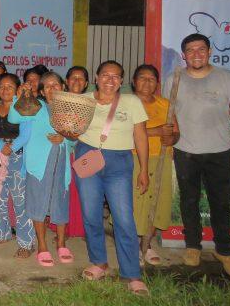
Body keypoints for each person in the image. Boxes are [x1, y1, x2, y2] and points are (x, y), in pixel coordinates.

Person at [165, 33, 230, 280]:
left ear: (209, 51)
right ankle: (193, 246)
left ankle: (225, 251)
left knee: (221, 203)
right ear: (184, 55)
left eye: (200, 49)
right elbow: (168, 116)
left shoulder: (225, 78)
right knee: (189, 201)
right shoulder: (174, 79)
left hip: (220, 152)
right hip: (186, 152)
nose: (196, 54)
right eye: (190, 50)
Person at [74, 60, 149, 295]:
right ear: (96, 77)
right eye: (105, 75)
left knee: (124, 217)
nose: (110, 80)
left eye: (116, 76)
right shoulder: (83, 99)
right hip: (88, 156)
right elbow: (70, 127)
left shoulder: (131, 101)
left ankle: (132, 274)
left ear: (121, 81)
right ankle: (99, 262)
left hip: (119, 162)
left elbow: (141, 135)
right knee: (91, 214)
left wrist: (144, 169)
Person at [9, 72, 73, 267]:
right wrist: (19, 97)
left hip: (61, 164)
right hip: (38, 165)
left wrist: (65, 139)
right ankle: (43, 246)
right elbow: (13, 117)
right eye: (47, 86)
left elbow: (75, 139)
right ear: (43, 91)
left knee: (60, 202)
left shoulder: (69, 109)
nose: (52, 88)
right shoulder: (35, 107)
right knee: (38, 204)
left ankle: (61, 243)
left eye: (56, 84)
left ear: (63, 86)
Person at [131, 64, 178, 265]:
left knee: (156, 202)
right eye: (142, 77)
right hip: (133, 157)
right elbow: (125, 131)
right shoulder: (126, 103)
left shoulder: (165, 104)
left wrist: (172, 139)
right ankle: (132, 246)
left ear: (157, 84)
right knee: (135, 203)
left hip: (162, 158)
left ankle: (147, 245)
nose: (147, 82)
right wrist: (156, 131)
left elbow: (175, 132)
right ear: (134, 82)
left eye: (152, 78)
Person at [0, 73, 34, 258]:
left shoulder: (22, 107)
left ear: (16, 89)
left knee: (20, 200)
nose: (5, 90)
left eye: (10, 87)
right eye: (2, 86)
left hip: (17, 157)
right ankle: (0, 234)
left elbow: (26, 133)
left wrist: (11, 148)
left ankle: (26, 243)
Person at [64, 65, 89, 238]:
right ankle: (63, 229)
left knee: (83, 192)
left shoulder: (91, 103)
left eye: (81, 78)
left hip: (84, 153)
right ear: (67, 81)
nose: (77, 81)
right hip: (64, 152)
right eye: (73, 77)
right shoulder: (59, 101)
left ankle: (79, 229)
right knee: (64, 191)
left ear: (86, 83)